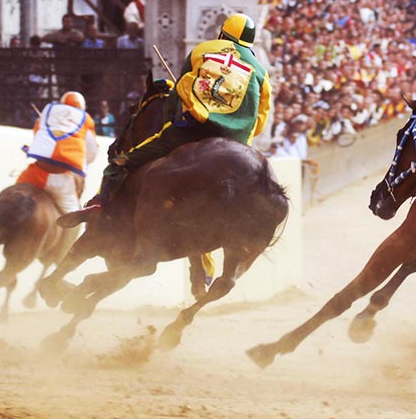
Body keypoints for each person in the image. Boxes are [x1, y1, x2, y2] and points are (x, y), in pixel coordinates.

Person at [62, 13, 272, 222]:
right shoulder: (262, 73)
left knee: (121, 161)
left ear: (222, 33)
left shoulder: (202, 51)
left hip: (193, 130)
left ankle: (100, 204)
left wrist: (173, 119)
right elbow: (260, 120)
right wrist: (241, 139)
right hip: (237, 142)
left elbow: (179, 93)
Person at [16, 91, 99, 245]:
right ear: (82, 107)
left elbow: (37, 134)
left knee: (12, 197)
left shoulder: (48, 112)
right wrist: (80, 161)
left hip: (33, 174)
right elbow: (92, 152)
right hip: (60, 181)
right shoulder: (85, 119)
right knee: (74, 219)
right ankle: (62, 254)